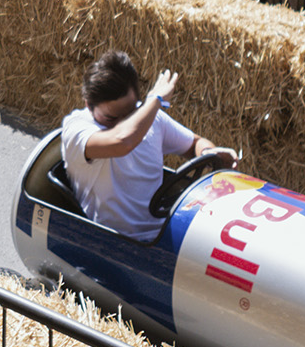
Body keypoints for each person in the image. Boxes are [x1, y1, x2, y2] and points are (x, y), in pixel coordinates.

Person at [59, 53, 218, 242]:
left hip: (162, 236)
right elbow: (122, 142)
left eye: (129, 113)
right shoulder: (76, 128)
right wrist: (155, 100)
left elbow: (195, 143)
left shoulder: (149, 118)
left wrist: (210, 154)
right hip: (112, 242)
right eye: (111, 118)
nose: (124, 122)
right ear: (88, 104)